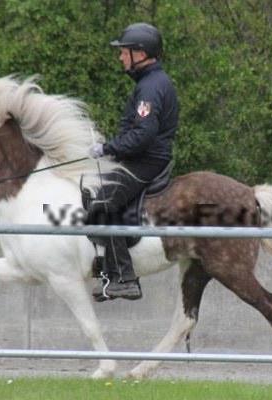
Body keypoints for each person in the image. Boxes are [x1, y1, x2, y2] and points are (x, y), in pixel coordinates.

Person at [88, 22, 179, 301]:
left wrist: (107, 148)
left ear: (139, 54)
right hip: (143, 157)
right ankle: (109, 272)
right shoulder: (150, 82)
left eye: (124, 51)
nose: (120, 57)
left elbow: (143, 134)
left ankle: (126, 278)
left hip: (146, 161)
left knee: (103, 205)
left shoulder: (150, 88)